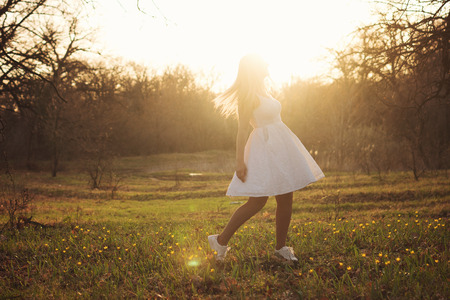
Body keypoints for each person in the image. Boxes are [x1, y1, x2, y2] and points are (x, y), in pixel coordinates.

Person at [208, 54, 324, 262]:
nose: (268, 64)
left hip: (281, 147)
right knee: (257, 202)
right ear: (254, 69)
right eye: (263, 62)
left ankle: (281, 248)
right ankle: (221, 239)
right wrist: (239, 162)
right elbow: (242, 131)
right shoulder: (248, 97)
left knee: (286, 196)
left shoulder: (265, 92)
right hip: (265, 150)